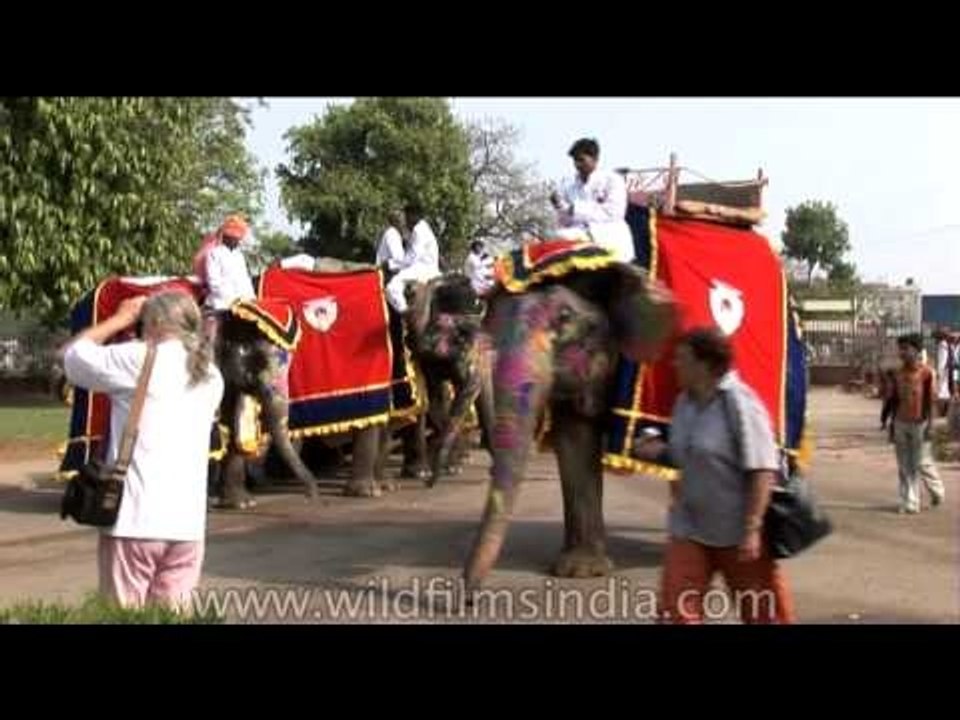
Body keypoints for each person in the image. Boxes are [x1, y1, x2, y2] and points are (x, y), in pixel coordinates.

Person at [61, 291, 224, 610]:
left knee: (123, 617)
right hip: (187, 527)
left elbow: (71, 356)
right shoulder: (211, 375)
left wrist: (118, 319)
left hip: (135, 521)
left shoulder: (137, 358)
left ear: (156, 322)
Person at [636, 327, 795, 624]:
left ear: (705, 365)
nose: (674, 365)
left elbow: (763, 468)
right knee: (676, 613)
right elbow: (686, 456)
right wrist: (657, 450)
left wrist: (752, 528)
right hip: (689, 528)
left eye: (681, 359)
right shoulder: (684, 403)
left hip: (738, 533)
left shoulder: (741, 403)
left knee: (764, 615)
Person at [550, 138, 635, 263]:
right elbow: (566, 222)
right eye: (575, 160)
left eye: (581, 160)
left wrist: (575, 209)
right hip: (579, 236)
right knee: (556, 238)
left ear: (595, 159)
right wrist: (559, 206)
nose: (577, 165)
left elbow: (614, 213)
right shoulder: (569, 186)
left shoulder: (613, 180)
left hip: (609, 238)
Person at [888, 333, 946, 513]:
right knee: (904, 465)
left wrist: (930, 425)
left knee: (921, 462)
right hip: (900, 422)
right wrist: (891, 424)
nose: (902, 352)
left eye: (906, 348)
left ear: (917, 350)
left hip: (920, 424)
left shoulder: (927, 373)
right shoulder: (898, 373)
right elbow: (894, 400)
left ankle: (937, 490)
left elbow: (931, 401)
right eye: (900, 348)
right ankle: (910, 501)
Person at [198, 214, 256, 343]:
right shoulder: (214, 253)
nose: (237, 241)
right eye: (234, 237)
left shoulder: (239, 256)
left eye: (238, 238)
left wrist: (252, 300)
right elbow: (214, 283)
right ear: (226, 237)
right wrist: (233, 301)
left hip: (242, 305)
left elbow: (244, 280)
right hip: (220, 304)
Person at [384, 202, 441, 314]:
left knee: (391, 287)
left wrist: (389, 264)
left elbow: (411, 259)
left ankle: (406, 313)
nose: (405, 220)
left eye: (406, 216)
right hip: (424, 266)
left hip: (422, 269)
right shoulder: (423, 228)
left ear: (413, 215)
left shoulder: (418, 230)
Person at [375, 209, 408, 276]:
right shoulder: (392, 234)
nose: (405, 225)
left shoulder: (392, 233)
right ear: (396, 223)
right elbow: (399, 259)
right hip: (387, 274)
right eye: (403, 222)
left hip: (387, 272)